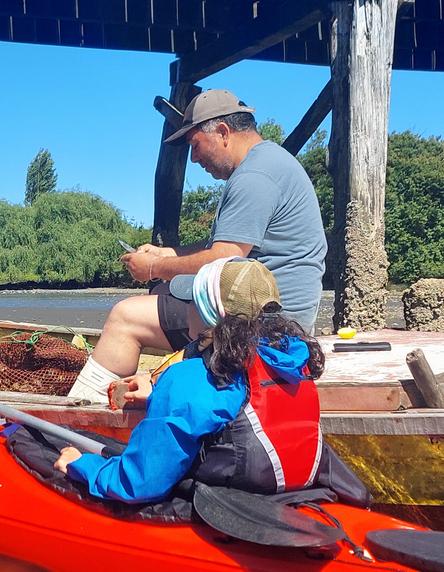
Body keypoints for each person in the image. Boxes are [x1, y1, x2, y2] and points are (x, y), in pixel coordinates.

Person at [69, 88, 326, 401]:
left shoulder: (254, 177)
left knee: (126, 316)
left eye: (195, 145)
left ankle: (83, 413)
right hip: (264, 306)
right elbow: (224, 243)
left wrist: (153, 266)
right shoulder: (266, 162)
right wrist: (169, 254)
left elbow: (226, 255)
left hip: (263, 322)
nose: (193, 158)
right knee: (162, 292)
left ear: (221, 132)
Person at [55, 258, 331, 505]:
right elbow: (234, 405)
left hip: (235, 500)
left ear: (210, 314)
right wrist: (157, 393)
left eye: (191, 303)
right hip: (291, 490)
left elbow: (140, 483)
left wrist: (83, 465)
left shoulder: (190, 378)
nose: (184, 309)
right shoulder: (293, 360)